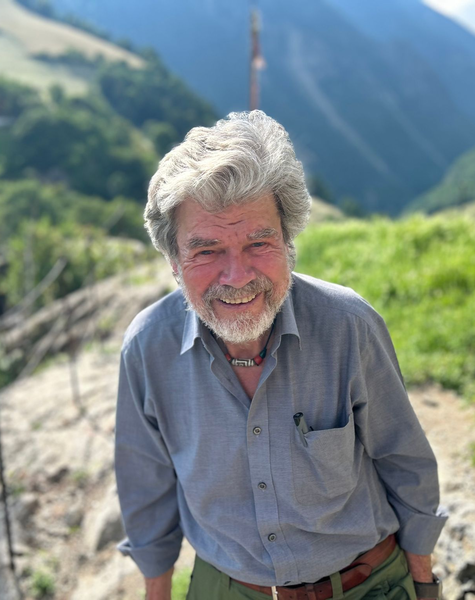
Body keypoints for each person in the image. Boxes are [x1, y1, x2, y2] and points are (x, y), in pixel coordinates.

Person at [115, 111, 447, 600]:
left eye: (258, 242)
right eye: (206, 252)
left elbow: (404, 460)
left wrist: (423, 584)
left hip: (366, 586)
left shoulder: (347, 326)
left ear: (288, 245)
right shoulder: (148, 349)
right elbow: (147, 489)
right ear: (173, 261)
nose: (237, 275)